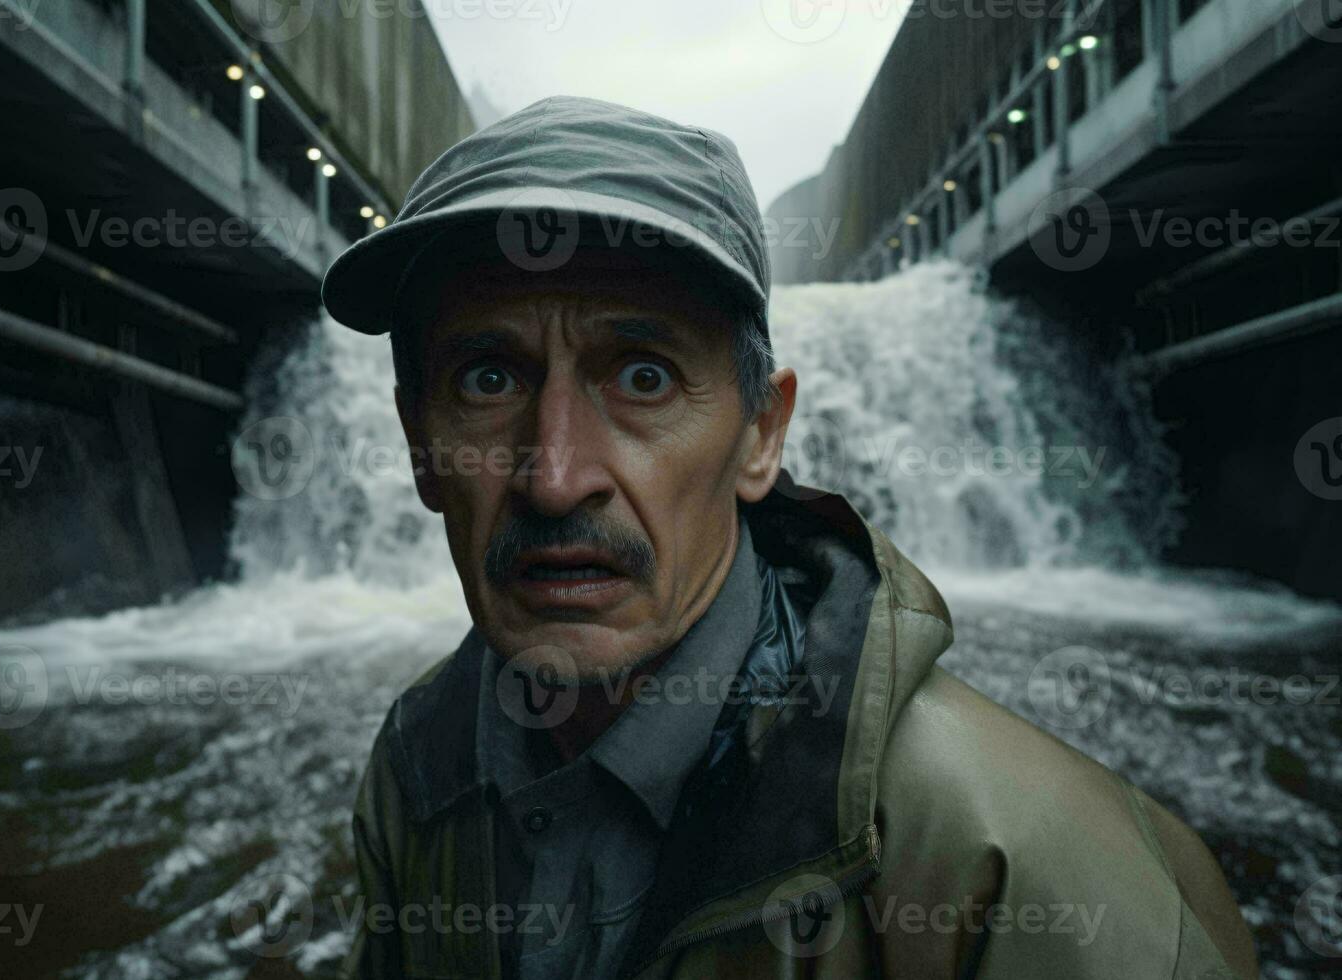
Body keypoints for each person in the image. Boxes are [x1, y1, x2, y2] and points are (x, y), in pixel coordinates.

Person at [321, 95, 1257, 980]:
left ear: (762, 435)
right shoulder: (417, 766)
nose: (556, 475)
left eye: (643, 378)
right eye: (488, 380)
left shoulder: (1027, 874)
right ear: (420, 446)